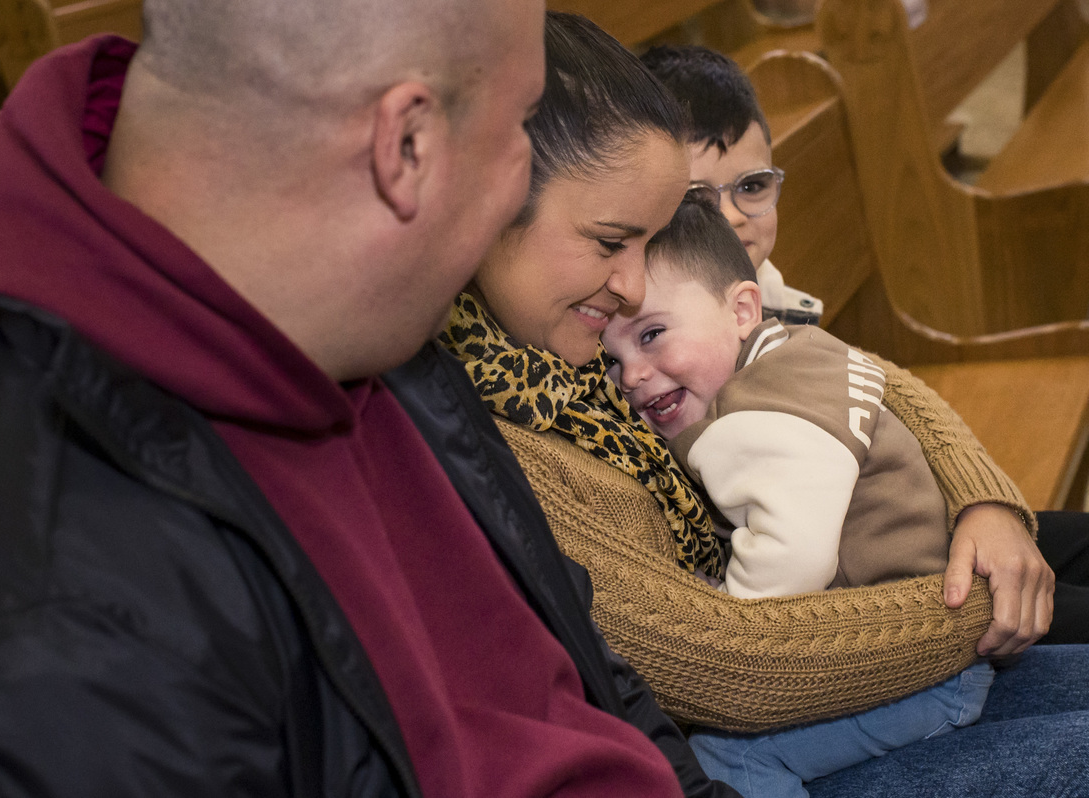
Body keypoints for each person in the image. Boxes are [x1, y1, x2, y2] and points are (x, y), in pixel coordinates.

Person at [0, 2, 741, 795]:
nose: (524, 173)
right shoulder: (48, 647)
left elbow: (581, 669)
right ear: (404, 145)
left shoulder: (362, 319)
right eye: (521, 126)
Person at [441, 15, 1089, 796]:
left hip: (847, 615)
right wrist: (982, 604)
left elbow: (849, 373)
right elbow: (725, 668)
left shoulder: (573, 329)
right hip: (772, 709)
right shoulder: (512, 425)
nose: (638, 281)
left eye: (646, 245)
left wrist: (986, 502)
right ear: (493, 202)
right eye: (613, 242)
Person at [642, 42, 1089, 646]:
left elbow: (883, 383)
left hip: (888, 512)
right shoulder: (646, 332)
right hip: (873, 580)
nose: (732, 218)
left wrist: (986, 502)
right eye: (696, 200)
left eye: (752, 185)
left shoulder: (762, 288)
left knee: (1070, 539)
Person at [602, 195, 996, 796]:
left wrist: (725, 604)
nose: (631, 375)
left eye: (651, 335)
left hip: (913, 671)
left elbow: (794, 559)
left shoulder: (759, 410)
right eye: (612, 360)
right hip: (927, 648)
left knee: (724, 760)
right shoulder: (795, 355)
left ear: (741, 309)